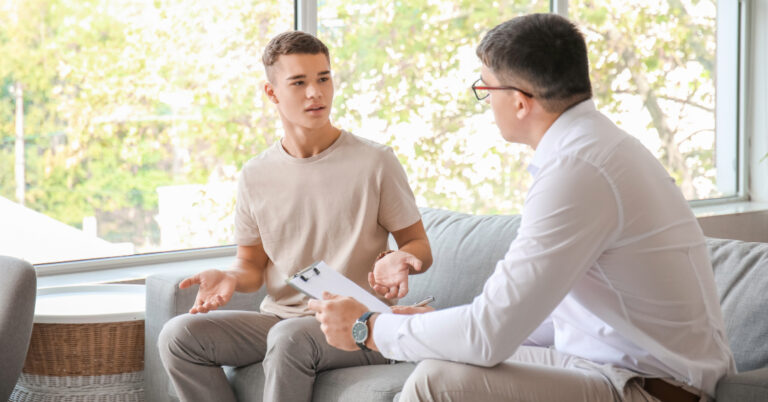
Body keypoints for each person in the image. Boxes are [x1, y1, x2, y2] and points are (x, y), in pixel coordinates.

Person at [310, 13, 735, 402]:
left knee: (437, 381)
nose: (486, 100)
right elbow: (540, 321)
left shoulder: (577, 172)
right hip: (617, 367)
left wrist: (368, 328)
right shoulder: (597, 149)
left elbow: (486, 336)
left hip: (656, 390)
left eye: (485, 87)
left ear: (518, 100)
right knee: (444, 358)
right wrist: (432, 327)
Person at [157, 30, 432, 402]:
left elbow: (419, 247)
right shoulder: (256, 175)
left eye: (323, 78)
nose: (315, 93)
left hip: (356, 321)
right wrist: (229, 277)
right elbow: (251, 267)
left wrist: (401, 259)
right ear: (272, 93)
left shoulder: (375, 162)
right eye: (299, 82)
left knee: (289, 339)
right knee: (179, 336)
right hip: (280, 318)